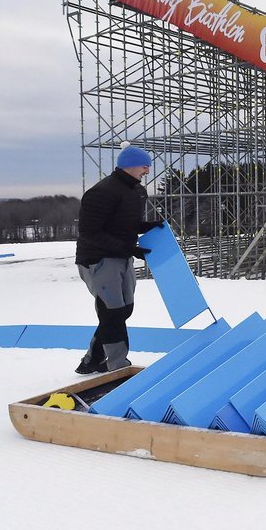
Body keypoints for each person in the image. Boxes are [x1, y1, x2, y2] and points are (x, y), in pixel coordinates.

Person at [74, 143, 164, 374]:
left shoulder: (134, 191)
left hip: (122, 256)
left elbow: (123, 224)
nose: (148, 171)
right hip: (99, 259)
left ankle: (92, 359)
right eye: (145, 166)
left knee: (124, 309)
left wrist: (148, 227)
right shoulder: (101, 192)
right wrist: (127, 248)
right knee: (112, 312)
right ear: (130, 165)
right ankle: (118, 367)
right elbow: (89, 232)